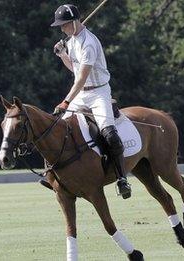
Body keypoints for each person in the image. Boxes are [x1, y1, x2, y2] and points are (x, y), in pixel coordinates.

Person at [50, 4, 131, 198]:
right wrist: (63, 55)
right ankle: (53, 175)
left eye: (64, 25)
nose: (62, 29)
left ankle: (122, 179)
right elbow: (75, 69)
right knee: (58, 128)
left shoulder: (89, 43)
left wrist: (65, 102)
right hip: (81, 93)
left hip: (98, 93)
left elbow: (81, 78)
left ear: (75, 22)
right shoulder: (72, 40)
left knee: (109, 134)